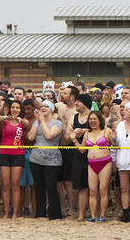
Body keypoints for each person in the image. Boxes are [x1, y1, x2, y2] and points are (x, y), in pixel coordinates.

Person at [75, 110, 116, 222]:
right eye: (90, 119)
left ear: (100, 120)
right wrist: (74, 139)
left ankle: (102, 215)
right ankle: (93, 215)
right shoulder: (87, 134)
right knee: (92, 191)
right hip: (91, 163)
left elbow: (115, 144)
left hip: (105, 162)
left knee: (103, 190)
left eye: (94, 119)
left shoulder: (106, 131)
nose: (92, 121)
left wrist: (114, 137)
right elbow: (82, 150)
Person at [27, 99, 64, 220]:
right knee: (39, 187)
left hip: (52, 161)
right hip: (36, 159)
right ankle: (40, 213)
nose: (43, 108)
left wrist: (42, 121)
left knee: (51, 186)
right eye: (41, 106)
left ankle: (55, 214)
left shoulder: (57, 123)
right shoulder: (36, 122)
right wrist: (37, 122)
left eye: (46, 106)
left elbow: (49, 136)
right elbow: (30, 137)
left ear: (52, 110)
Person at [0, 99, 29, 219]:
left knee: (15, 184)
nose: (15, 109)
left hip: (18, 154)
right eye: (13, 107)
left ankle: (15, 213)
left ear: (20, 110)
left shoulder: (22, 121)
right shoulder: (5, 121)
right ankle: (6, 213)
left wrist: (20, 119)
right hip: (4, 153)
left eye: (17, 107)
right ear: (10, 108)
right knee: (5, 184)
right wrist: (3, 117)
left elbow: (27, 125)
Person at [66, 93, 92, 221]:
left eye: (78, 102)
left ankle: (96, 214)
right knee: (81, 187)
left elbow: (102, 130)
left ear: (85, 103)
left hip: (93, 155)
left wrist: (85, 131)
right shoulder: (74, 117)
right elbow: (67, 136)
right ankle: (81, 215)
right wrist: (74, 133)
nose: (75, 103)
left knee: (94, 187)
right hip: (77, 154)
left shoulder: (94, 116)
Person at [55, 85, 79, 216]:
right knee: (58, 180)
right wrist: (60, 92)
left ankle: (71, 208)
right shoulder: (60, 107)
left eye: (66, 93)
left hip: (70, 147)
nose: (63, 95)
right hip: (58, 146)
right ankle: (62, 207)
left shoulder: (77, 111)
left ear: (72, 96)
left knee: (69, 180)